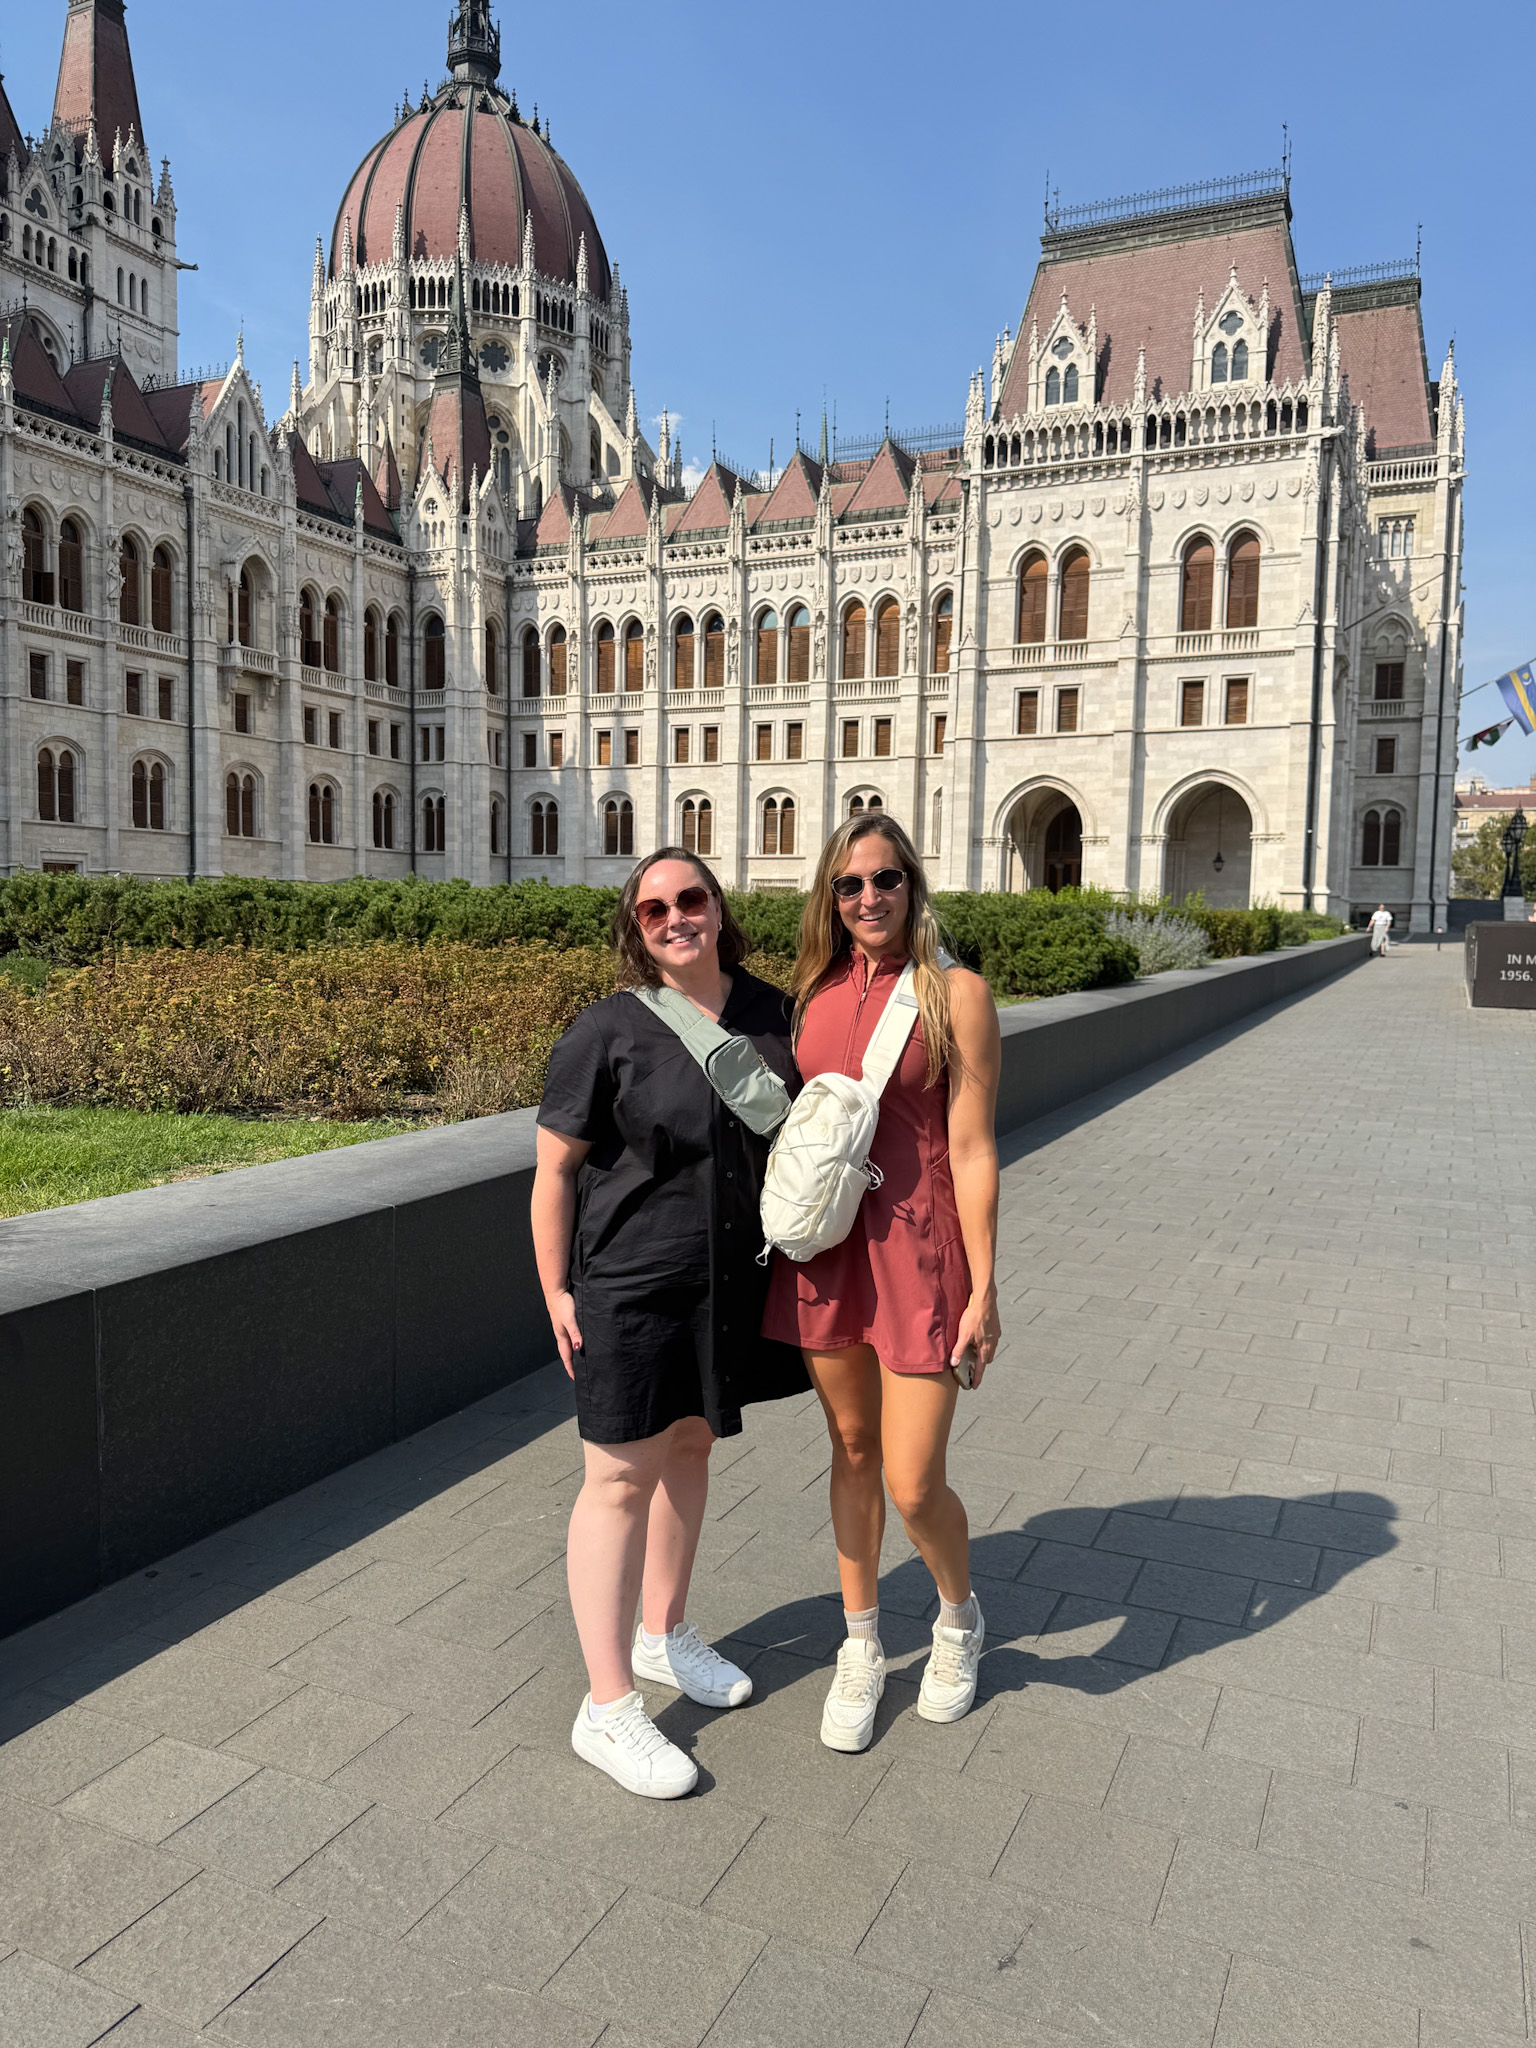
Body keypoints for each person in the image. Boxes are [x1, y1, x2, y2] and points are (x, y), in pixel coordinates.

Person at [532, 850, 808, 1797]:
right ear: (635, 929)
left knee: (690, 1448)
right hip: (630, 1287)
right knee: (616, 1479)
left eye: (691, 898)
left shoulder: (775, 1013)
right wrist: (556, 1292)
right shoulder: (607, 1028)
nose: (675, 917)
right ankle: (606, 1708)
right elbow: (554, 1172)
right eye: (653, 909)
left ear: (721, 909)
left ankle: (665, 1634)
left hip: (729, 1283)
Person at [763, 814, 1001, 1752]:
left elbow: (975, 1149)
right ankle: (860, 1641)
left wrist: (985, 1289)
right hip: (829, 1252)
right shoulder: (813, 995)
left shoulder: (955, 994)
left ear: (913, 885)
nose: (869, 899)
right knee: (852, 1447)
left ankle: (957, 1618)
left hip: (920, 1256)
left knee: (913, 1480)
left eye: (886, 880)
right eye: (849, 885)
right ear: (830, 897)